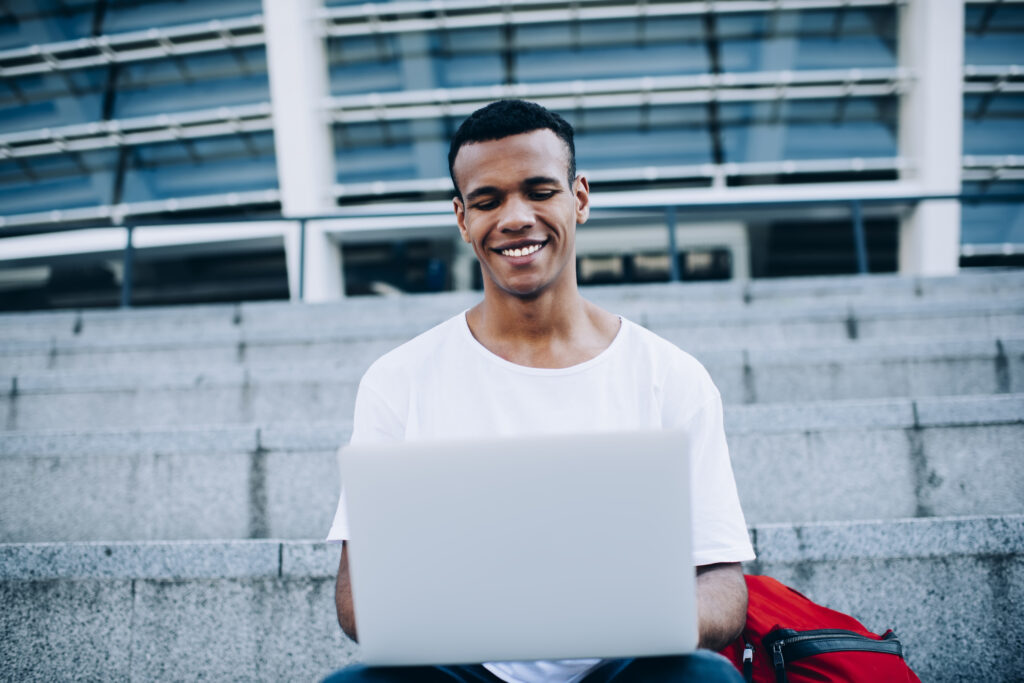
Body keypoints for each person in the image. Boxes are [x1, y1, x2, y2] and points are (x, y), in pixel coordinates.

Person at [323, 99, 753, 683]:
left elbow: (723, 585)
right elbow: (358, 599)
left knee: (705, 679)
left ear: (580, 198)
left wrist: (627, 620)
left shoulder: (671, 375)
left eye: (539, 191)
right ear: (462, 219)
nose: (516, 218)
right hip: (465, 669)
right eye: (487, 201)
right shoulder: (399, 379)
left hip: (621, 665)